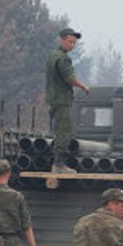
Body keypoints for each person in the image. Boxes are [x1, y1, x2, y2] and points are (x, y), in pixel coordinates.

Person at [46, 27, 91, 173]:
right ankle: (59, 165)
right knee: (64, 131)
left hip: (53, 99)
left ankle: (58, 163)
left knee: (59, 130)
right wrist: (83, 86)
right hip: (62, 100)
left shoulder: (53, 55)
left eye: (74, 43)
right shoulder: (63, 58)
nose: (72, 45)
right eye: (70, 42)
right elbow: (69, 78)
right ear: (62, 40)